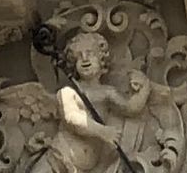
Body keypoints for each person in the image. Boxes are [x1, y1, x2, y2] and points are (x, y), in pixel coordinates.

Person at [47, 32, 151, 173]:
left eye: (90, 53)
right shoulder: (68, 92)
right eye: (79, 56)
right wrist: (102, 131)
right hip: (59, 154)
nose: (84, 59)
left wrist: (144, 87)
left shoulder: (107, 92)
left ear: (102, 59)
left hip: (86, 164)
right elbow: (72, 118)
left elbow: (131, 108)